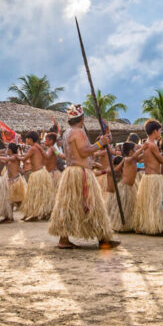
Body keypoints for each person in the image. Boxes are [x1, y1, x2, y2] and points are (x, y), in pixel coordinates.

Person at [47, 104, 120, 249]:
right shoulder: (79, 132)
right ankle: (103, 239)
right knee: (93, 205)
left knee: (69, 206)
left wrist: (99, 143)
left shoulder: (67, 133)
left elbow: (79, 151)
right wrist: (101, 143)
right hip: (81, 173)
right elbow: (85, 151)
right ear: (82, 119)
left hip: (71, 173)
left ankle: (64, 239)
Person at [135, 120, 163, 236]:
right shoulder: (152, 145)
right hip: (154, 178)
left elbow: (140, 159)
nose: (160, 132)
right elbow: (162, 161)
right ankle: (156, 227)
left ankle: (151, 225)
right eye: (159, 130)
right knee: (157, 203)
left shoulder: (147, 144)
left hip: (148, 178)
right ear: (154, 131)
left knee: (150, 203)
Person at [21, 131, 56, 222]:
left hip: (37, 174)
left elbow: (24, 158)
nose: (26, 140)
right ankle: (43, 213)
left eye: (27, 139)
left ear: (30, 139)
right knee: (40, 195)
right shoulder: (38, 147)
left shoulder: (33, 148)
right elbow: (46, 157)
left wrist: (13, 156)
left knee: (35, 195)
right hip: (41, 173)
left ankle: (36, 214)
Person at [6, 142, 27, 212]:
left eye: (7, 149)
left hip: (14, 180)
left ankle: (10, 217)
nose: (6, 150)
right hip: (13, 180)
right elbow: (17, 167)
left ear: (10, 150)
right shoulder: (13, 157)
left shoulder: (14, 156)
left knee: (12, 199)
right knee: (13, 199)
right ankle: (10, 216)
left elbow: (20, 159)